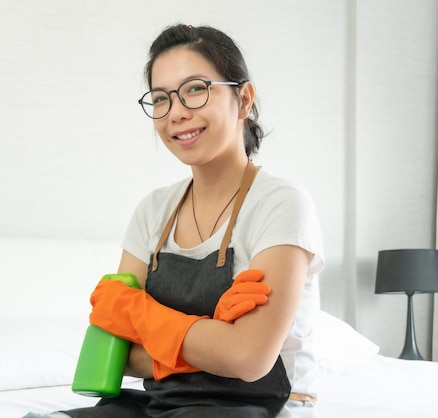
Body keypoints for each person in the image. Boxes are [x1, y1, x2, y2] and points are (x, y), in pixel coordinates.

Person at [24, 23, 324, 418]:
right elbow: (117, 353)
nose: (176, 113)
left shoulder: (281, 203)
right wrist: (216, 334)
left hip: (252, 406)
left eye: (196, 89)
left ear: (244, 98)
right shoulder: (153, 210)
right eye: (161, 98)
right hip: (158, 403)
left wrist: (138, 313)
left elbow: (250, 360)